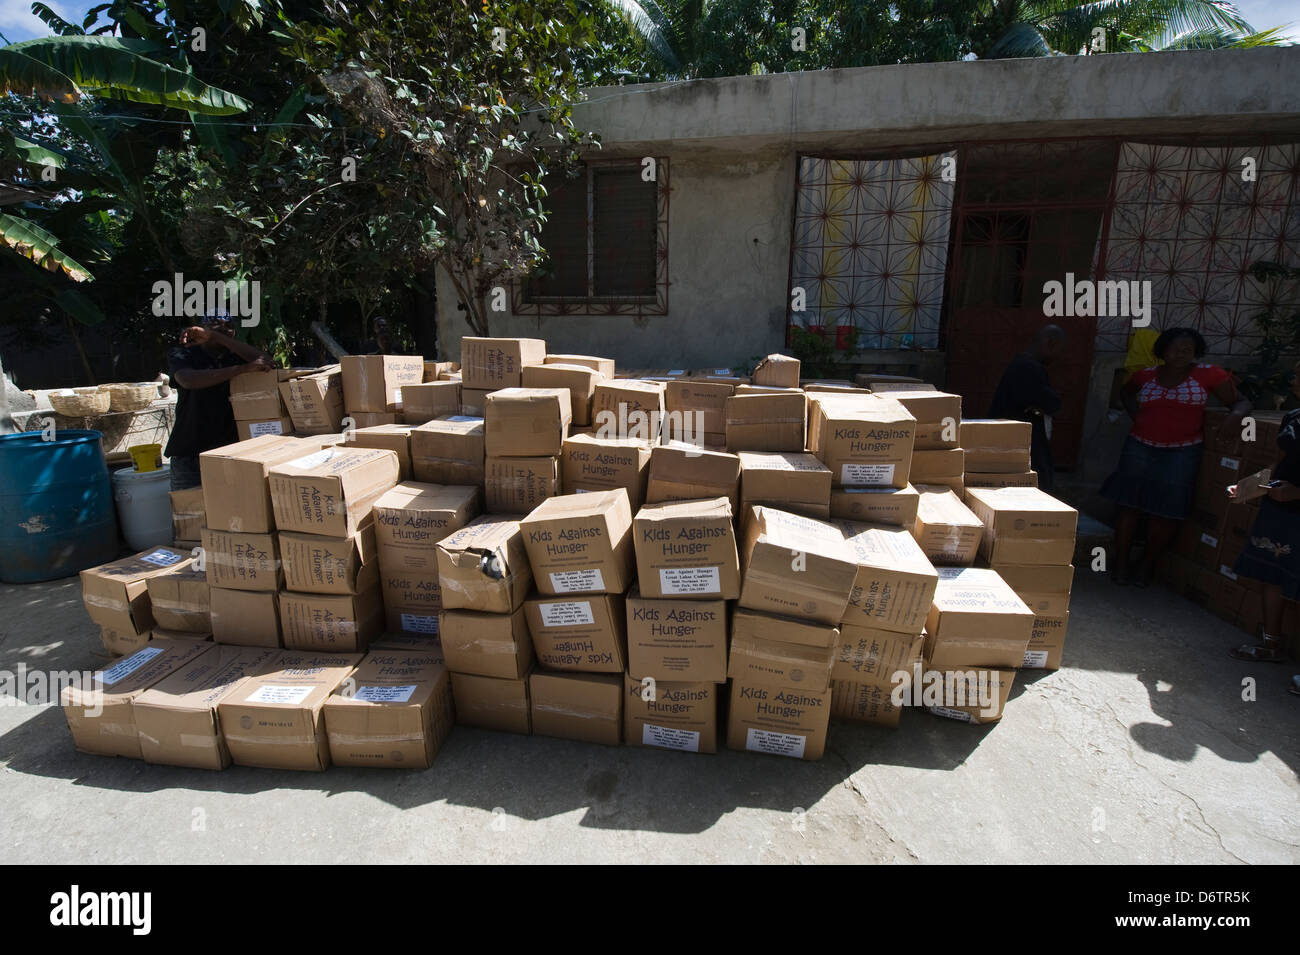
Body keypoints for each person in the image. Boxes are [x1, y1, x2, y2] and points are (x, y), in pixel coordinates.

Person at [1101, 327, 1252, 587]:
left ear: (1196, 353)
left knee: (1165, 511)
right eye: (1174, 348)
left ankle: (1147, 565)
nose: (1180, 354)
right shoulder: (1145, 376)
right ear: (1162, 350)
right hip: (1140, 447)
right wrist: (1138, 417)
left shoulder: (1208, 375)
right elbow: (1125, 393)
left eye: (1187, 349)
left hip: (1182, 452)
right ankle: (1122, 563)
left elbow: (1241, 402)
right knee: (1128, 506)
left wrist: (1235, 417)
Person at [1228, 356, 1300, 681]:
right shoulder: (1294, 418)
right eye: (1297, 375)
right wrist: (1250, 487)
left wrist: (1298, 493)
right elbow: (1279, 466)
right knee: (1272, 575)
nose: (1295, 381)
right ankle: (1270, 643)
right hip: (1279, 513)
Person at [164, 313, 275, 491]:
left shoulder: (235, 355)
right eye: (216, 324)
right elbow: (188, 380)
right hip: (191, 454)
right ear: (201, 329)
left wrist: (219, 337)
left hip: (230, 452)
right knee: (190, 515)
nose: (223, 328)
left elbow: (267, 362)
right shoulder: (184, 352)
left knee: (231, 514)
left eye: (229, 326)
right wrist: (242, 370)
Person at [987, 325, 1065, 490]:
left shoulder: (1024, 364)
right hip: (1019, 445)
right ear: (1051, 343)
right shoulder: (1028, 368)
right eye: (1059, 349)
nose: (1059, 357)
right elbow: (1050, 403)